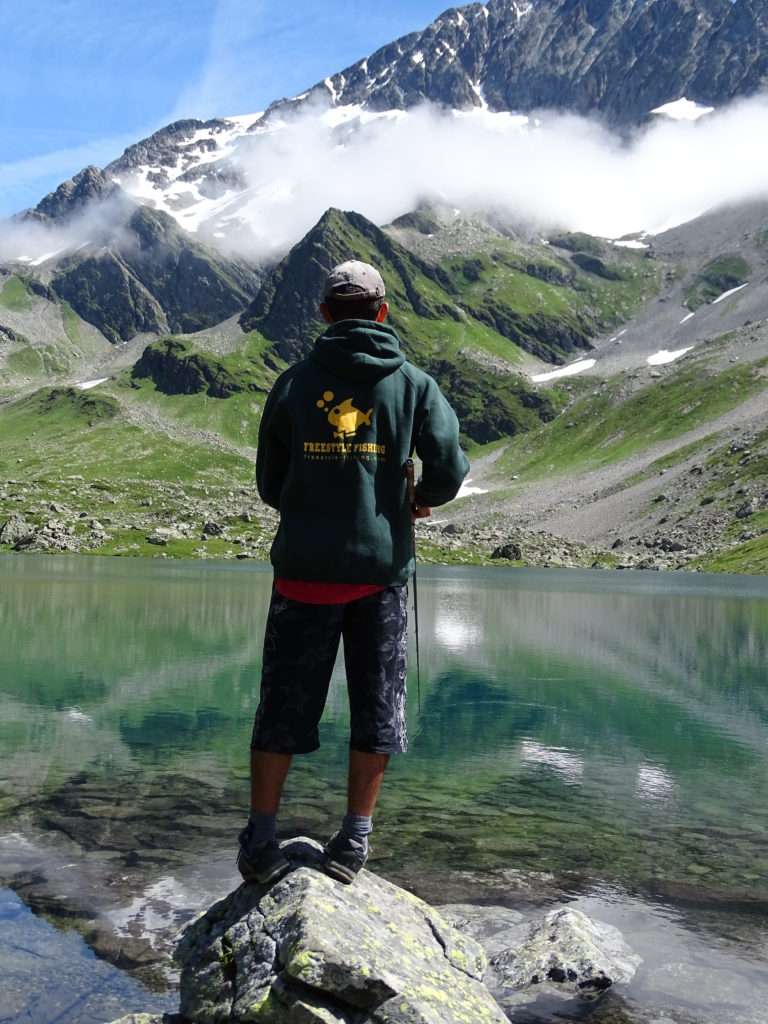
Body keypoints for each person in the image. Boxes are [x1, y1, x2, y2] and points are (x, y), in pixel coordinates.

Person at [238, 259, 469, 885]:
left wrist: (313, 497)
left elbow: (268, 483)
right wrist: (421, 497)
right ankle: (353, 842)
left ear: (323, 314)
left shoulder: (291, 383)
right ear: (383, 312)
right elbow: (449, 468)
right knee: (378, 707)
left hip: (303, 575)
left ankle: (261, 838)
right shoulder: (415, 385)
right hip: (380, 575)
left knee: (282, 707)